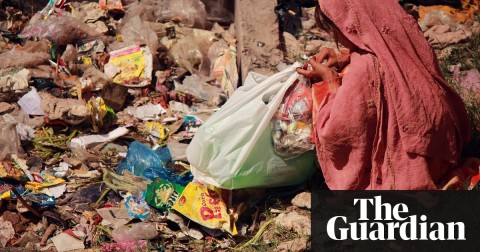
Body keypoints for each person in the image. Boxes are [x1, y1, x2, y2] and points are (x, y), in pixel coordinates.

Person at [296, 0, 471, 189]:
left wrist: (330, 81)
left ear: (348, 26)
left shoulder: (365, 68)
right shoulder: (411, 36)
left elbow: (337, 134)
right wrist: (346, 56)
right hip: (445, 151)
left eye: (334, 31)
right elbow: (387, 55)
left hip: (413, 169)